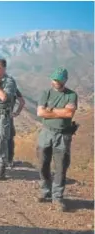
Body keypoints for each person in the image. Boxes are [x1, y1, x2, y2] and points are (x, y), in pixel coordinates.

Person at [36, 67, 78, 212]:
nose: (56, 82)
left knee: (60, 167)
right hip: (46, 133)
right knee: (42, 163)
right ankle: (45, 190)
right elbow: (40, 112)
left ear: (65, 80)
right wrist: (58, 111)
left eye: (59, 79)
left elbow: (68, 113)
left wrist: (51, 110)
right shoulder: (45, 93)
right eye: (54, 79)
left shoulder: (71, 95)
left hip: (63, 135)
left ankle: (57, 197)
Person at [0, 87, 25, 167]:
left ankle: (6, 159)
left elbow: (22, 102)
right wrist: (16, 113)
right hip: (2, 116)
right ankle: (5, 158)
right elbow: (22, 102)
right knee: (5, 136)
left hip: (0, 116)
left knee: (6, 136)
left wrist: (16, 113)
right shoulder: (12, 87)